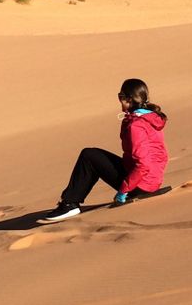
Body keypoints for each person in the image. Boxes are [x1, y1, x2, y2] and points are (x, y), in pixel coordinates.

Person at [38, 79, 170, 223]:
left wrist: (124, 190)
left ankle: (70, 204)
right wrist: (153, 180)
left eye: (120, 97)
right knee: (93, 155)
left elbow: (143, 164)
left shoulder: (136, 125)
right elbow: (161, 155)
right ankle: (71, 201)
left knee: (89, 156)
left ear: (129, 99)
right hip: (151, 181)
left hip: (139, 185)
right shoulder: (150, 118)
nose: (119, 101)